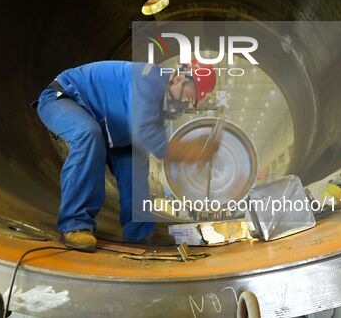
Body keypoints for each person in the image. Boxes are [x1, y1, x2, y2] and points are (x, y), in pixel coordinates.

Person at [34, 60, 218, 252]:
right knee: (87, 134)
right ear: (179, 78)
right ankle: (75, 224)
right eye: (188, 97)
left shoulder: (162, 102)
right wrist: (192, 152)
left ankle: (138, 231)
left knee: (135, 158)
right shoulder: (148, 79)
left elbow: (154, 139)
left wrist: (188, 153)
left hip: (107, 123)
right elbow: (148, 135)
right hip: (63, 99)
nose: (184, 105)